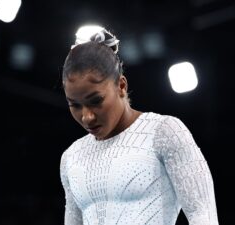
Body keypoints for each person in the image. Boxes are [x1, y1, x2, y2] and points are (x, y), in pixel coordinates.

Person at [60, 27, 219, 225]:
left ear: (121, 85)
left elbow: (203, 215)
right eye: (75, 105)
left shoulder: (164, 132)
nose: (87, 117)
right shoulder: (71, 157)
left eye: (96, 101)